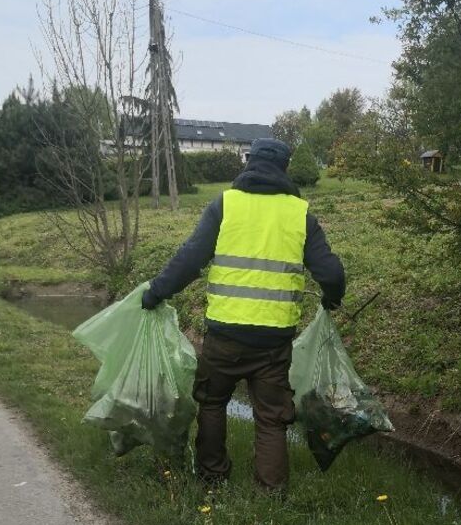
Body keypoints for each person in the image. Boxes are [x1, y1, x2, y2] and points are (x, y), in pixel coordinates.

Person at [141, 138, 345, 492]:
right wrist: (331, 300)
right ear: (284, 168)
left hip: (224, 335)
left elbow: (189, 259)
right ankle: (270, 491)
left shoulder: (225, 205)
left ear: (248, 163)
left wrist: (156, 292)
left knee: (213, 401)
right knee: (271, 417)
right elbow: (332, 274)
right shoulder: (300, 214)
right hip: (274, 341)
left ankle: (212, 477)